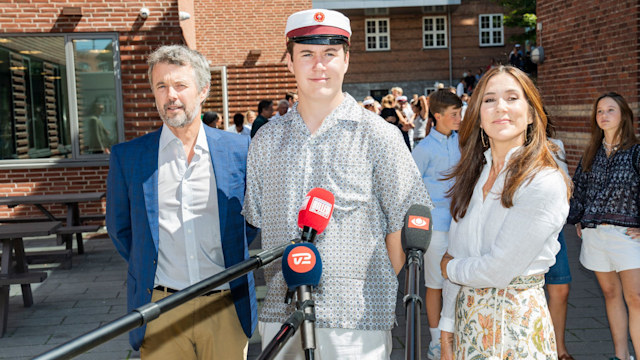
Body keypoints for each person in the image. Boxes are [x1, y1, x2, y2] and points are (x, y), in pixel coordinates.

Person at [242, 9, 432, 359]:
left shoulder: (380, 136)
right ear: (289, 62)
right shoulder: (265, 141)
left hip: (356, 324)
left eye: (330, 53)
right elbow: (257, 218)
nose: (319, 65)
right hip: (283, 319)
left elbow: (405, 224)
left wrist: (368, 286)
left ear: (346, 59)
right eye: (307, 54)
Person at [105, 45, 257, 359]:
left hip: (226, 304)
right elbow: (121, 230)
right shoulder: (129, 157)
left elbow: (250, 223)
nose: (170, 95)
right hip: (160, 310)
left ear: (203, 91)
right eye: (161, 86)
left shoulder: (240, 150)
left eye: (180, 85)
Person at [438, 65, 571, 359]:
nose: (500, 107)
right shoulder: (472, 176)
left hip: (515, 330)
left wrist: (448, 267)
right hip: (466, 330)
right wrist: (445, 336)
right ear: (478, 115)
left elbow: (497, 269)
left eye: (512, 98)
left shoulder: (543, 181)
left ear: (532, 113)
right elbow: (456, 251)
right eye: (489, 99)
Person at [567, 92, 640, 360]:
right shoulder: (591, 153)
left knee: (636, 299)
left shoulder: (636, 151)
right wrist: (579, 218)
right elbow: (579, 189)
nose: (604, 115)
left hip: (628, 237)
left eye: (610, 110)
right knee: (610, 295)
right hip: (596, 236)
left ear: (624, 116)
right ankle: (621, 356)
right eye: (599, 111)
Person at [411, 89, 462, 360]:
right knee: (436, 285)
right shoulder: (423, 149)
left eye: (460, 113)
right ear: (438, 116)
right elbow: (411, 188)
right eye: (454, 114)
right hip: (436, 227)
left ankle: (454, 337)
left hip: (461, 225)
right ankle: (434, 342)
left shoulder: (461, 142)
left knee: (459, 281)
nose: (459, 118)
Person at [545, 115, 574, 360]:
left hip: (552, 231)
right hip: (519, 232)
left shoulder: (555, 145)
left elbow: (566, 183)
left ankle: (559, 349)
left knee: (560, 289)